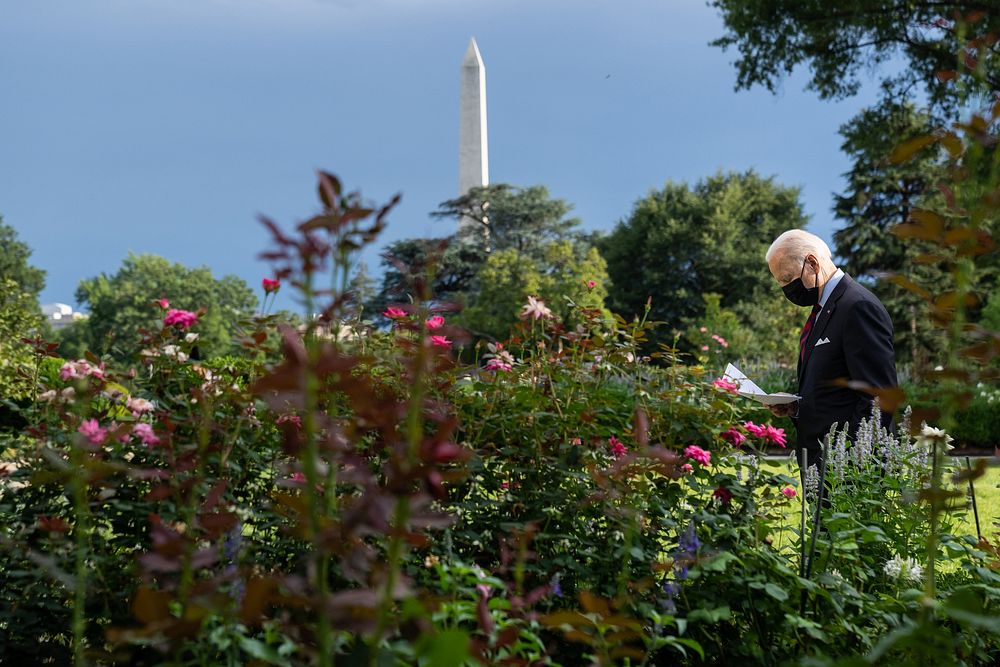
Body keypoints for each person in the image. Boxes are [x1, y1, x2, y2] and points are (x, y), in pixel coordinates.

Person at [765, 230, 898, 469]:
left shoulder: (857, 306)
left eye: (786, 279)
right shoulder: (822, 311)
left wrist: (851, 463)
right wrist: (797, 407)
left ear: (812, 263)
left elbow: (878, 396)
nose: (785, 289)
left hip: (846, 471)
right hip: (820, 465)